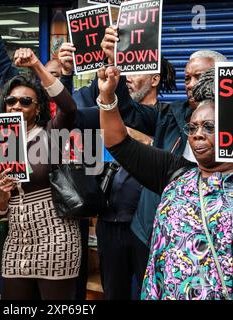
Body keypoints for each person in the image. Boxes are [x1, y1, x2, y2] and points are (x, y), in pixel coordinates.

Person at [97, 64, 233, 300]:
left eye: (209, 127)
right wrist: (108, 95)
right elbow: (118, 142)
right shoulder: (175, 173)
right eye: (192, 127)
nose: (197, 134)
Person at [98, 26, 227, 266]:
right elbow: (127, 114)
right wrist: (117, 66)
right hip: (151, 234)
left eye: (200, 77)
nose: (191, 84)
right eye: (187, 78)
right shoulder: (169, 115)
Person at [58, 41, 176, 299]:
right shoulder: (109, 111)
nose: (128, 77)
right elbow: (71, 116)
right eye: (125, 71)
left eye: (135, 70)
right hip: (111, 222)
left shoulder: (169, 118)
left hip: (151, 227)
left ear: (155, 78)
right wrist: (66, 76)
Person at [0, 47, 81, 300]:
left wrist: (37, 66)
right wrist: (3, 197)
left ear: (37, 108)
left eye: (25, 101)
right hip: (17, 239)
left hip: (56, 235)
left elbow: (69, 108)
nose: (17, 105)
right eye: (11, 101)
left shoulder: (51, 133)